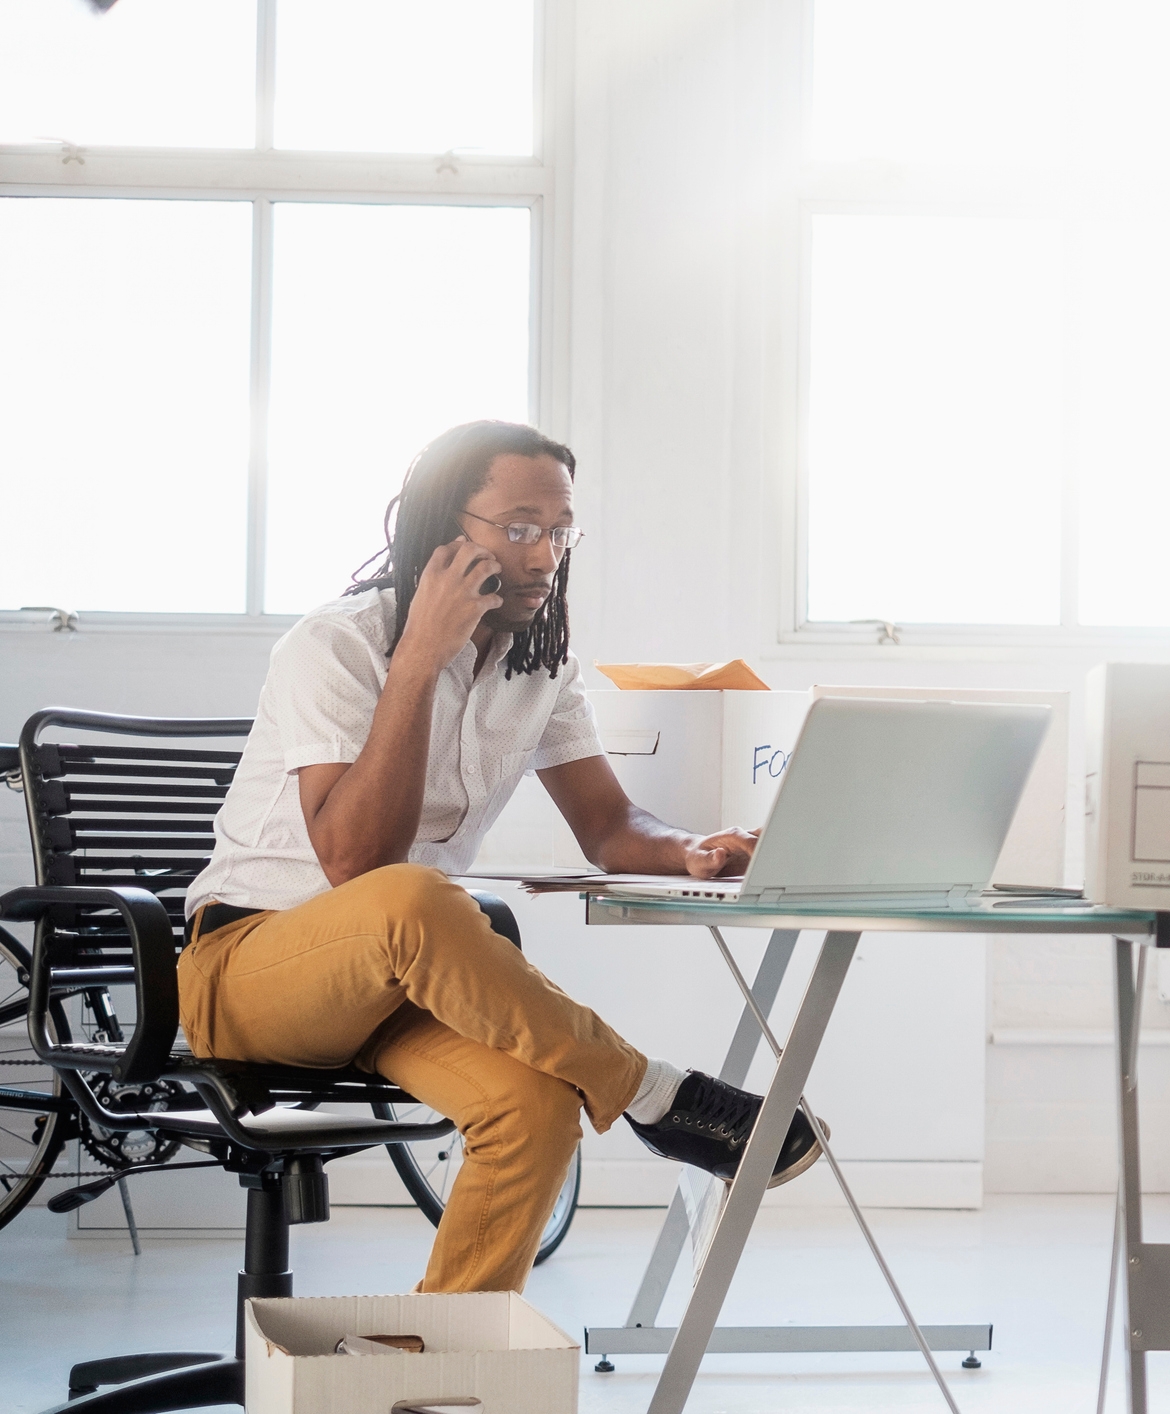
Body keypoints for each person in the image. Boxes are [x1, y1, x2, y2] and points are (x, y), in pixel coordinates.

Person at [179, 420, 819, 1294]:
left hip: (394, 990)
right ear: (445, 528)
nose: (546, 554)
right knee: (417, 895)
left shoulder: (539, 666)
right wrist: (417, 662)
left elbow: (609, 824)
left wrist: (693, 850)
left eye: (560, 531)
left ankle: (439, 1362)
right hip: (250, 971)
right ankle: (658, 1095)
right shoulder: (337, 645)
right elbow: (355, 863)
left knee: (536, 1107)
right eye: (520, 527)